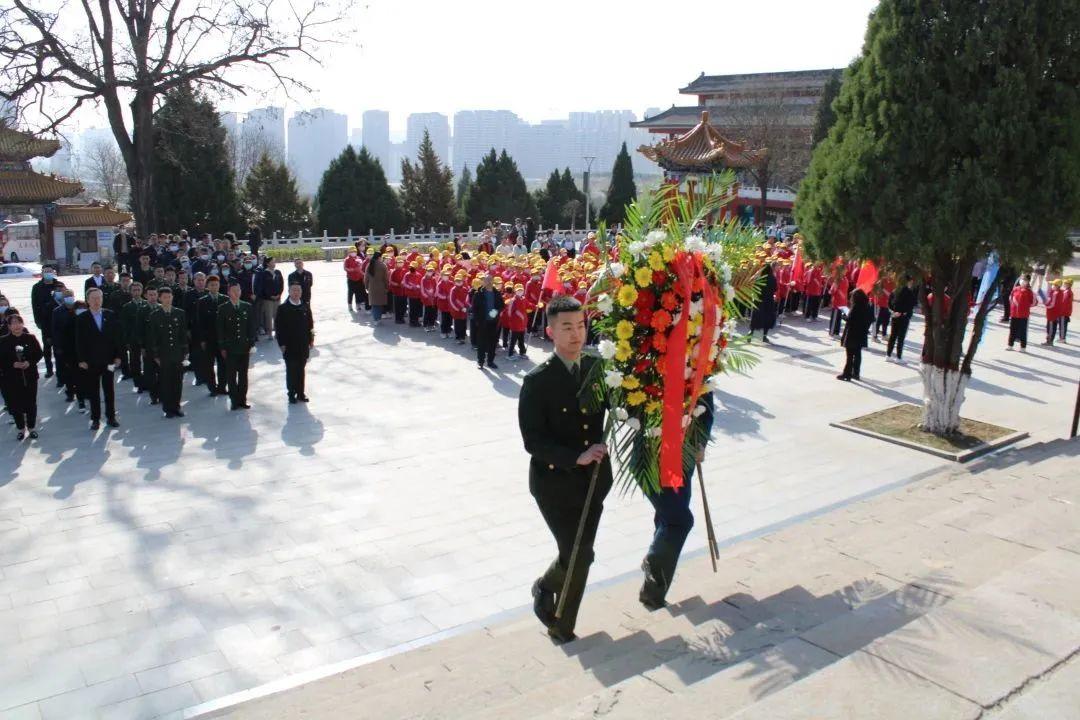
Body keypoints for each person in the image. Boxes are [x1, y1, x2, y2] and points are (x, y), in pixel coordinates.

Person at [518, 295, 611, 643]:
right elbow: (534, 442)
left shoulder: (597, 367)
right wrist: (576, 457)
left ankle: (547, 587)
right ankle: (561, 622)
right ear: (551, 332)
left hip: (594, 481)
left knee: (580, 554)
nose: (576, 334)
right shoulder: (538, 381)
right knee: (579, 554)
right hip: (555, 483)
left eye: (581, 325)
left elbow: (618, 401)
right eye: (567, 327)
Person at [640, 393, 714, 610]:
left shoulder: (697, 359)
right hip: (650, 452)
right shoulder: (641, 358)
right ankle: (653, 565)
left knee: (668, 519)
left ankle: (654, 591)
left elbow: (706, 407)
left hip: (683, 453)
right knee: (678, 520)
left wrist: (701, 441)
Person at [75, 287, 122, 430]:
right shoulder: (82, 318)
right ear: (88, 300)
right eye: (93, 298)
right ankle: (95, 418)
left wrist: (118, 356)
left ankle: (111, 417)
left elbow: (117, 337)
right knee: (93, 391)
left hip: (108, 360)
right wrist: (81, 359)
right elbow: (79, 341)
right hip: (91, 362)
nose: (96, 301)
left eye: (99, 298)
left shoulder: (110, 315)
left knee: (109, 390)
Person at [0, 315, 44, 440]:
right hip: (11, 379)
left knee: (31, 403)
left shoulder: (30, 338)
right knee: (15, 404)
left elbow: (39, 353)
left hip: (29, 376)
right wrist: (12, 364)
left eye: (19, 322)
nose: (17, 326)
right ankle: (20, 428)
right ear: (9, 326)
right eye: (13, 323)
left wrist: (29, 362)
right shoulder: (3, 341)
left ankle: (31, 427)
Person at [146, 287, 188, 418]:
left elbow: (183, 334)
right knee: (166, 381)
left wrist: (185, 352)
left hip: (177, 353)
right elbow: (153, 337)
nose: (167, 300)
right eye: (164, 297)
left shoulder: (179, 313)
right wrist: (156, 355)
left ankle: (176, 406)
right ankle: (168, 408)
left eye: (169, 297)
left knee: (178, 381)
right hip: (164, 354)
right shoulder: (155, 315)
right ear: (160, 299)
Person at [216, 281, 256, 410]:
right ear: (228, 292)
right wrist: (222, 346)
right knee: (231, 376)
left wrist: (251, 343)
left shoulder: (247, 306)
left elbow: (251, 326)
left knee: (243, 375)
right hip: (231, 347)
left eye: (238, 290)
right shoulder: (223, 308)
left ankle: (242, 399)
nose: (236, 293)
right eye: (233, 291)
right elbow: (220, 329)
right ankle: (234, 400)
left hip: (244, 347)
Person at [275, 282, 315, 403]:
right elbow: (279, 328)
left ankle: (301, 393)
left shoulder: (305, 306)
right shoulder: (283, 308)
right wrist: (281, 344)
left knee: (301, 369)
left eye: (298, 290)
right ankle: (291, 393)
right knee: (291, 370)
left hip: (303, 344)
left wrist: (311, 339)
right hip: (289, 345)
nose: (296, 293)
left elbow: (310, 324)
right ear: (289, 291)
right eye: (294, 290)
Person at [197, 275, 228, 395]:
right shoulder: (203, 301)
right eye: (211, 285)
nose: (214, 287)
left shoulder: (225, 299)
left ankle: (222, 387)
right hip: (209, 338)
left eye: (216, 284)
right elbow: (200, 322)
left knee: (223, 364)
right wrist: (202, 339)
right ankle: (212, 387)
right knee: (208, 365)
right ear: (207, 286)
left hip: (222, 338)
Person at [30, 264, 62, 378]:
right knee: (47, 346)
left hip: (58, 320)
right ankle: (49, 369)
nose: (48, 273)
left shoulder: (59, 285)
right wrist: (38, 321)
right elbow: (34, 305)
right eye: (45, 271)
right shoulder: (37, 287)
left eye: (50, 271)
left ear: (53, 272)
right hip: (45, 321)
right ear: (42, 273)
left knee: (59, 347)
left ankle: (60, 370)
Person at [838, 289, 874, 381]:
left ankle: (847, 374)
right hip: (861, 334)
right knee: (858, 354)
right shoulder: (868, 306)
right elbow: (872, 319)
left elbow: (850, 319)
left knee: (850, 355)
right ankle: (856, 373)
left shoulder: (856, 307)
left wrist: (843, 315)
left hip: (852, 333)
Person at [472, 273, 504, 370]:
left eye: (490, 280)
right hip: (482, 322)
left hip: (493, 323)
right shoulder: (478, 294)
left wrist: (495, 312)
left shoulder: (497, 293)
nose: (488, 282)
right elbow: (474, 309)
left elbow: (501, 305)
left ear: (492, 282)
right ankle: (480, 361)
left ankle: (490, 361)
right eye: (486, 280)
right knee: (481, 343)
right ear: (483, 282)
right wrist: (478, 321)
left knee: (492, 343)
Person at [138, 287, 161, 404]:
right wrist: (142, 347)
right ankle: (154, 395)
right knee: (150, 373)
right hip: (148, 346)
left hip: (161, 346)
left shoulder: (162, 308)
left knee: (162, 372)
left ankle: (162, 394)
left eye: (154, 294)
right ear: (146, 296)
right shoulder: (142, 310)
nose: (152, 297)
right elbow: (139, 330)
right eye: (150, 295)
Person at [886, 276, 917, 361]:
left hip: (895, 316)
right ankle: (898, 357)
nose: (911, 284)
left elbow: (889, 303)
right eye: (910, 282)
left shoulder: (894, 291)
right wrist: (904, 312)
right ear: (907, 282)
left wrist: (893, 311)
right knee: (901, 337)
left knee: (893, 336)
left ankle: (888, 355)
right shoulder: (909, 292)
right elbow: (912, 304)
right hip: (904, 316)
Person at [254, 257, 284, 339]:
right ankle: (270, 333)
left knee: (277, 316)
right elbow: (263, 287)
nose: (274, 263)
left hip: (278, 298)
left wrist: (279, 294)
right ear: (268, 263)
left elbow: (281, 284)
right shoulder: (264, 273)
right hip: (268, 299)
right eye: (272, 262)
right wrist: (270, 296)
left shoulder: (278, 272)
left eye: (274, 262)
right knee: (268, 316)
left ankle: (277, 333)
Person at [749, 264, 778, 343]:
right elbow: (775, 289)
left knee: (756, 317)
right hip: (769, 301)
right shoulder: (773, 278)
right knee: (768, 318)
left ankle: (751, 333)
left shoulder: (759, 278)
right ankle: (764, 336)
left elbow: (753, 286)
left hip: (759, 300)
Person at [1007, 278, 1036, 351]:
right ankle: (1010, 345)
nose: (1023, 282)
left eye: (1025, 280)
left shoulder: (1029, 291)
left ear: (1027, 282)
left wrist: (1025, 306)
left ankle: (1023, 347)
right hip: (1014, 314)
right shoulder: (1016, 289)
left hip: (1023, 314)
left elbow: (1033, 302)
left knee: (1023, 331)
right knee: (1012, 330)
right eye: (1022, 280)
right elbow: (1011, 297)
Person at [365, 251, 389, 323]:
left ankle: (375, 319)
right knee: (379, 304)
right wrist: (386, 287)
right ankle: (378, 318)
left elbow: (366, 278)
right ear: (379, 257)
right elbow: (386, 278)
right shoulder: (383, 265)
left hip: (371, 287)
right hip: (381, 287)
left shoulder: (369, 265)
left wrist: (366, 287)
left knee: (374, 304)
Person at [1043, 279, 1063, 346]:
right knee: (1050, 327)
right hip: (1052, 313)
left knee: (1051, 328)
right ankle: (1049, 340)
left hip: (1052, 313)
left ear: (1057, 286)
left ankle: (1050, 341)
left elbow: (1052, 304)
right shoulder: (1055, 292)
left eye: (1054, 285)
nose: (1052, 286)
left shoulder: (1056, 293)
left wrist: (1046, 306)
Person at [1059, 278, 1074, 343]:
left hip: (1064, 312)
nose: (1064, 284)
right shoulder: (1066, 291)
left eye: (1065, 283)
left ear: (1069, 285)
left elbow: (1064, 302)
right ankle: (1062, 337)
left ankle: (1062, 338)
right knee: (1062, 325)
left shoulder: (1067, 292)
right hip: (1065, 311)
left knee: (1062, 325)